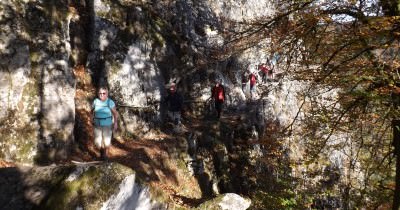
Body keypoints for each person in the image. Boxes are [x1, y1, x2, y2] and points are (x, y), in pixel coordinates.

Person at [92, 86, 118, 161]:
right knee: (97, 143)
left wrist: (115, 123)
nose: (102, 95)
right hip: (97, 124)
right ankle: (102, 153)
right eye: (100, 93)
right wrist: (91, 119)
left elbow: (115, 113)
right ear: (98, 94)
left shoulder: (110, 102)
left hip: (107, 124)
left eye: (104, 93)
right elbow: (92, 111)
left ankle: (104, 156)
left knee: (106, 142)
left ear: (107, 94)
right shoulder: (95, 101)